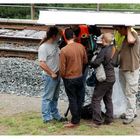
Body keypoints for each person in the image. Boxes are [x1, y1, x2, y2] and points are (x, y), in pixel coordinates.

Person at [59, 28, 88, 128]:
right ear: (74, 36)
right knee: (79, 98)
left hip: (69, 78)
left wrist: (63, 76)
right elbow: (85, 61)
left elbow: (62, 68)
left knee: (72, 99)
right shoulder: (81, 47)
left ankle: (75, 121)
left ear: (64, 37)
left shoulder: (64, 50)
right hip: (79, 76)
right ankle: (78, 117)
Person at [38, 26, 66, 123]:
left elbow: (59, 55)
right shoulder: (43, 47)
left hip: (57, 75)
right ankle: (46, 117)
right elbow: (41, 63)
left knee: (55, 97)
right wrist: (52, 73)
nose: (60, 37)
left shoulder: (54, 44)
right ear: (54, 36)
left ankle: (55, 114)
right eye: (59, 35)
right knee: (47, 97)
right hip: (50, 76)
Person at [115, 26, 140, 124]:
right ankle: (132, 111)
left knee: (130, 93)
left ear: (125, 28)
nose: (117, 31)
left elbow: (131, 41)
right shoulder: (125, 38)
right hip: (124, 68)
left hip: (131, 69)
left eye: (119, 29)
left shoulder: (132, 35)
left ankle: (130, 115)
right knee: (127, 92)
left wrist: (128, 27)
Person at [90, 33, 115, 126]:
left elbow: (96, 63)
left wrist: (91, 62)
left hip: (104, 78)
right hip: (111, 77)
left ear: (104, 40)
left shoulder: (104, 50)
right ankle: (109, 119)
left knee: (96, 99)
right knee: (108, 98)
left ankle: (97, 121)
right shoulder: (113, 48)